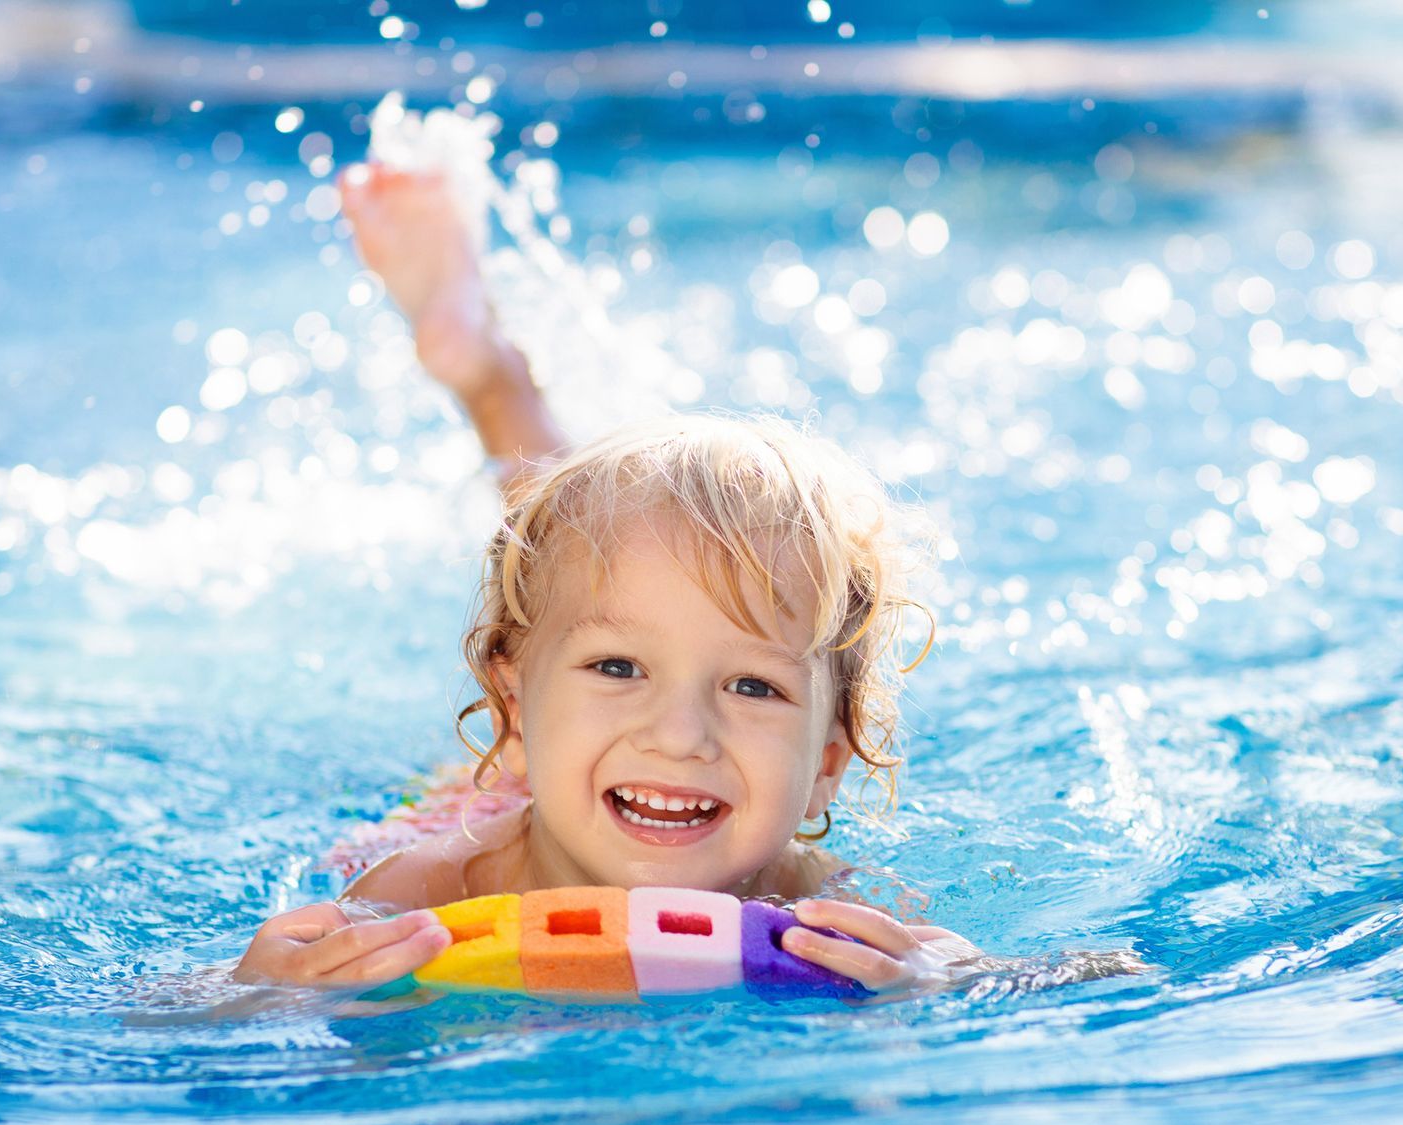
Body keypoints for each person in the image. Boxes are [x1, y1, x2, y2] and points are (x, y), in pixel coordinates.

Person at [233, 163, 988, 1003]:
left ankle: (490, 373)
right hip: (489, 795)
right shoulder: (431, 888)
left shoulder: (830, 906)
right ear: (509, 714)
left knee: (586, 578)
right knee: (559, 556)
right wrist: (267, 987)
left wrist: (944, 977)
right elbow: (172, 1024)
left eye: (753, 685)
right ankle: (488, 371)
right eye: (619, 668)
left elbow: (1081, 978)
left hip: (577, 761)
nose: (679, 736)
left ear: (828, 764)